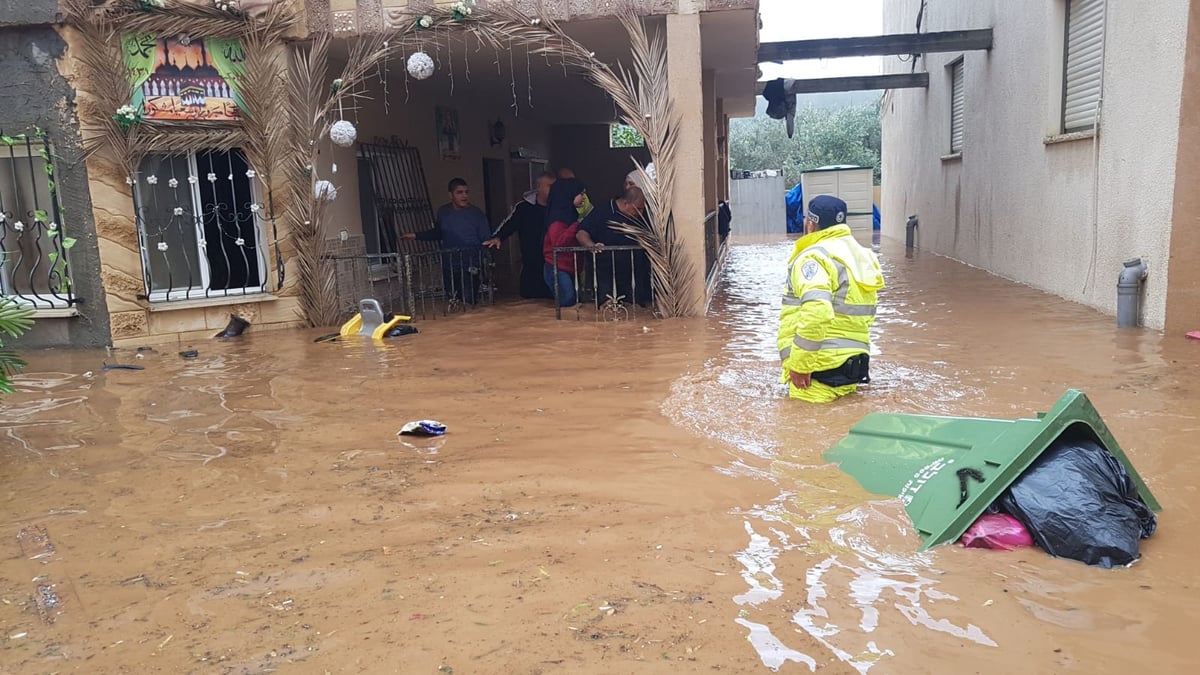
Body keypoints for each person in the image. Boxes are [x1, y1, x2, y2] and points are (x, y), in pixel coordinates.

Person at [778, 195, 884, 404]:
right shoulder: (863, 256)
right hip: (854, 365)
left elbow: (817, 311)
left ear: (810, 224)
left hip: (817, 370)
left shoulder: (814, 257)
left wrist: (800, 365)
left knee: (805, 432)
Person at [402, 178, 492, 305]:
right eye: (459, 192)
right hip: (449, 264)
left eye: (466, 192)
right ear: (451, 195)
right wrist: (416, 235)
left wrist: (483, 262)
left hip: (470, 264)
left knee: (468, 300)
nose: (464, 196)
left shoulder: (477, 214)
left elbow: (486, 240)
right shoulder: (443, 212)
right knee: (453, 299)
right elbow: (439, 232)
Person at [575, 186, 652, 307]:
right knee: (609, 309)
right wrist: (591, 246)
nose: (640, 213)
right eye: (638, 209)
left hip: (634, 275)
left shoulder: (641, 217)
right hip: (606, 274)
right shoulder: (602, 212)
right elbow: (581, 233)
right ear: (626, 203)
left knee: (635, 310)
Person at [483, 171, 556, 299]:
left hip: (553, 265)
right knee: (528, 304)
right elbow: (509, 224)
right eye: (550, 186)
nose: (553, 190)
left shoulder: (558, 208)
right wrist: (498, 237)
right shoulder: (523, 208)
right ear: (539, 187)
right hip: (531, 267)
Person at [542, 177, 588, 308]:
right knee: (568, 302)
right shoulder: (557, 219)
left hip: (570, 267)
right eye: (581, 193)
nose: (584, 197)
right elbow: (558, 243)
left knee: (576, 303)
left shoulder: (571, 214)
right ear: (570, 194)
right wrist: (577, 224)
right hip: (558, 268)